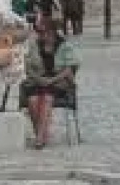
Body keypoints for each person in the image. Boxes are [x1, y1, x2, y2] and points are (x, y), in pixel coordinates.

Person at [20, 19, 79, 149]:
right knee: (32, 100)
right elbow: (27, 67)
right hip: (38, 81)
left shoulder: (64, 46)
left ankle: (40, 138)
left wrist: (51, 80)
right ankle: (42, 134)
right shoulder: (35, 45)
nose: (42, 36)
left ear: (52, 33)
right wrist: (38, 78)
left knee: (47, 98)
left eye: (44, 33)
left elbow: (69, 69)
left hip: (58, 82)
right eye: (40, 33)